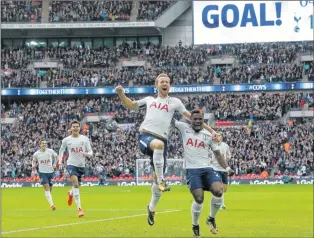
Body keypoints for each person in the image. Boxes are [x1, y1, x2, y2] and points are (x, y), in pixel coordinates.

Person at [115, 73, 217, 226]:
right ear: (156, 85)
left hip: (162, 141)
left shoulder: (175, 102)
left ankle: (151, 207)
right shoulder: (149, 100)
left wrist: (211, 131)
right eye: (162, 81)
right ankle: (163, 180)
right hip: (146, 137)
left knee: (156, 183)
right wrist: (121, 93)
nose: (165, 83)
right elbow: (130, 105)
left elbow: (191, 117)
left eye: (167, 82)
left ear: (169, 85)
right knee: (158, 147)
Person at [173, 109, 234, 237]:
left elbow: (217, 154)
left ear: (203, 121)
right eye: (194, 119)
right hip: (192, 170)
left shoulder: (208, 135)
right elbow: (169, 119)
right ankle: (195, 225)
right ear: (190, 120)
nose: (197, 121)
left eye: (200, 119)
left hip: (207, 169)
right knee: (199, 199)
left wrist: (227, 168)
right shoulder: (184, 128)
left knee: (219, 191)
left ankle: (211, 218)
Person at [59, 120, 93, 218]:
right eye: (73, 126)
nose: (75, 128)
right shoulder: (66, 140)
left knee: (77, 185)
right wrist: (60, 162)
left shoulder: (85, 139)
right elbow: (61, 150)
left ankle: (70, 193)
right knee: (76, 184)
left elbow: (91, 152)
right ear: (71, 128)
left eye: (77, 126)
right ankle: (80, 209)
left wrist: (86, 154)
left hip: (81, 165)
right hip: (71, 164)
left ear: (79, 128)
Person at [32, 140, 59, 210]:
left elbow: (56, 157)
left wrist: (55, 164)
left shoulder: (50, 151)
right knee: (46, 187)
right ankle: (52, 205)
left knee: (50, 188)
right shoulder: (36, 154)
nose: (44, 144)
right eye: (42, 143)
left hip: (51, 172)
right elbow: (33, 160)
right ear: (40, 145)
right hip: (42, 172)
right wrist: (33, 165)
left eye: (45, 143)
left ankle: (49, 199)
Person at [210, 132, 231, 210]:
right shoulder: (212, 145)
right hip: (215, 169)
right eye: (216, 135)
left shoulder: (226, 146)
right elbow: (208, 154)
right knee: (219, 188)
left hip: (224, 169)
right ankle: (221, 205)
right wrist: (211, 160)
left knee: (224, 189)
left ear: (221, 137)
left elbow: (229, 155)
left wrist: (226, 159)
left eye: (219, 135)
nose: (217, 137)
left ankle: (217, 200)